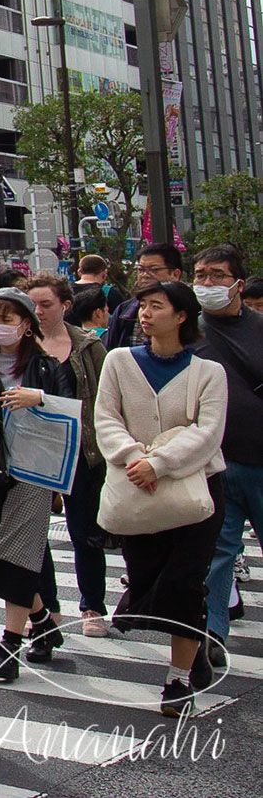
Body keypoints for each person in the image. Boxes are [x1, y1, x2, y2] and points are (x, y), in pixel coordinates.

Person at [97, 279, 229, 716]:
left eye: (157, 306)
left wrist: (161, 462)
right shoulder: (118, 361)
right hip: (137, 488)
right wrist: (136, 459)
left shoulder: (209, 372)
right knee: (149, 573)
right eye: (144, 306)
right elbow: (106, 418)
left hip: (197, 490)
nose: (146, 313)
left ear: (182, 315)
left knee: (185, 581)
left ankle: (177, 679)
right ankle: (183, 630)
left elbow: (208, 431)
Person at [0, 288, 74, 682]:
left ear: (27, 325)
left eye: (8, 319)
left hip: (32, 474)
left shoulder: (47, 367)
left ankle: (10, 643)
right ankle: (42, 618)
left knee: (18, 555)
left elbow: (72, 417)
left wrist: (39, 398)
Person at [22, 273, 111, 638]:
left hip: (82, 454)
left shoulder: (89, 346)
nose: (39, 312)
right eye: (34, 305)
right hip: (33, 454)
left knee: (86, 534)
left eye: (47, 305)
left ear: (66, 306)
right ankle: (48, 607)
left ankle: (92, 607)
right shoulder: (20, 345)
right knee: (33, 536)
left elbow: (107, 400)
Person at [195, 245, 263, 684]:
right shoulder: (187, 330)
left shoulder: (260, 329)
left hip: (260, 462)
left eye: (217, 275)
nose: (207, 284)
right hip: (212, 463)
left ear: (238, 282)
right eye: (200, 274)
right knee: (218, 554)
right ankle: (212, 635)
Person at [108, 243, 181, 352]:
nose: (145, 275)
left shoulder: (192, 308)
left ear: (175, 274)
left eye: (154, 270)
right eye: (141, 270)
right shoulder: (124, 311)